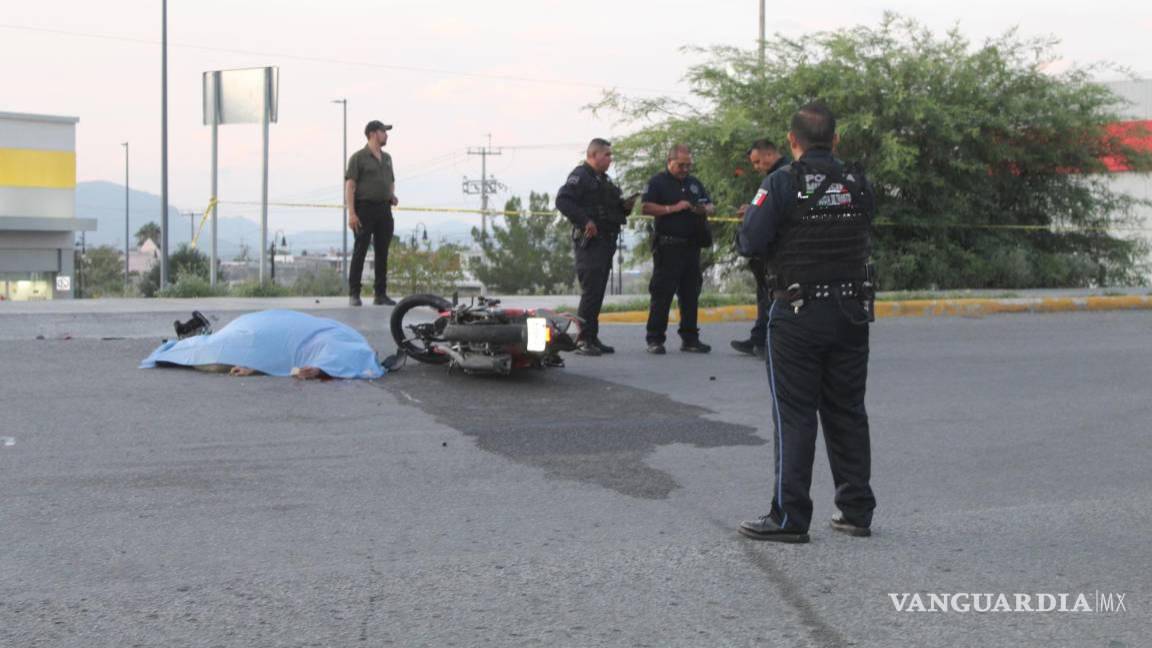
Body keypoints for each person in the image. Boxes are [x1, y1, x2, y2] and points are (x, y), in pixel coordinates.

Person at [736, 102, 878, 543]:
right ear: (835, 140)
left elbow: (750, 242)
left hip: (797, 312)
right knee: (847, 410)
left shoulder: (780, 183)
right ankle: (855, 511)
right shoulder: (858, 182)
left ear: (791, 141)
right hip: (852, 311)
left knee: (795, 414)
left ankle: (788, 517)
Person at [555, 138, 637, 356]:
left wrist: (625, 206)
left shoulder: (604, 180)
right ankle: (582, 339)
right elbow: (563, 200)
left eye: (611, 155)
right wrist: (585, 221)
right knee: (591, 292)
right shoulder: (580, 176)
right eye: (607, 155)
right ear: (593, 155)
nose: (611, 159)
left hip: (606, 241)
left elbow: (612, 208)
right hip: (590, 243)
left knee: (599, 291)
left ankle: (591, 336)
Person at [640, 145, 714, 354]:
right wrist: (672, 208)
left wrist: (702, 208)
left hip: (692, 247)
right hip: (668, 247)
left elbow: (710, 206)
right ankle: (655, 339)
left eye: (688, 165)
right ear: (670, 161)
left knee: (691, 294)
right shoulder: (657, 182)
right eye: (681, 165)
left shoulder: (694, 183)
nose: (685, 169)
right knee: (662, 294)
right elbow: (645, 207)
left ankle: (690, 338)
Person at [732, 139, 788, 359]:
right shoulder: (780, 176)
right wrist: (754, 209)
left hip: (775, 250)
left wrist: (753, 215)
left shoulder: (779, 177)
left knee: (770, 296)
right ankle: (758, 338)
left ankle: (768, 343)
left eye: (757, 162)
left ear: (769, 155)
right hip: (773, 250)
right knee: (764, 295)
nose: (756, 167)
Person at [345, 120, 399, 307]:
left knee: (382, 252)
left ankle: (380, 294)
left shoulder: (387, 158)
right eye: (384, 131)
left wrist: (391, 195)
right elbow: (350, 186)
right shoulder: (358, 158)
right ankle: (354, 293)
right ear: (373, 133)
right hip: (364, 209)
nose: (386, 135)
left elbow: (391, 180)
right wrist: (352, 213)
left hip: (384, 209)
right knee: (360, 250)